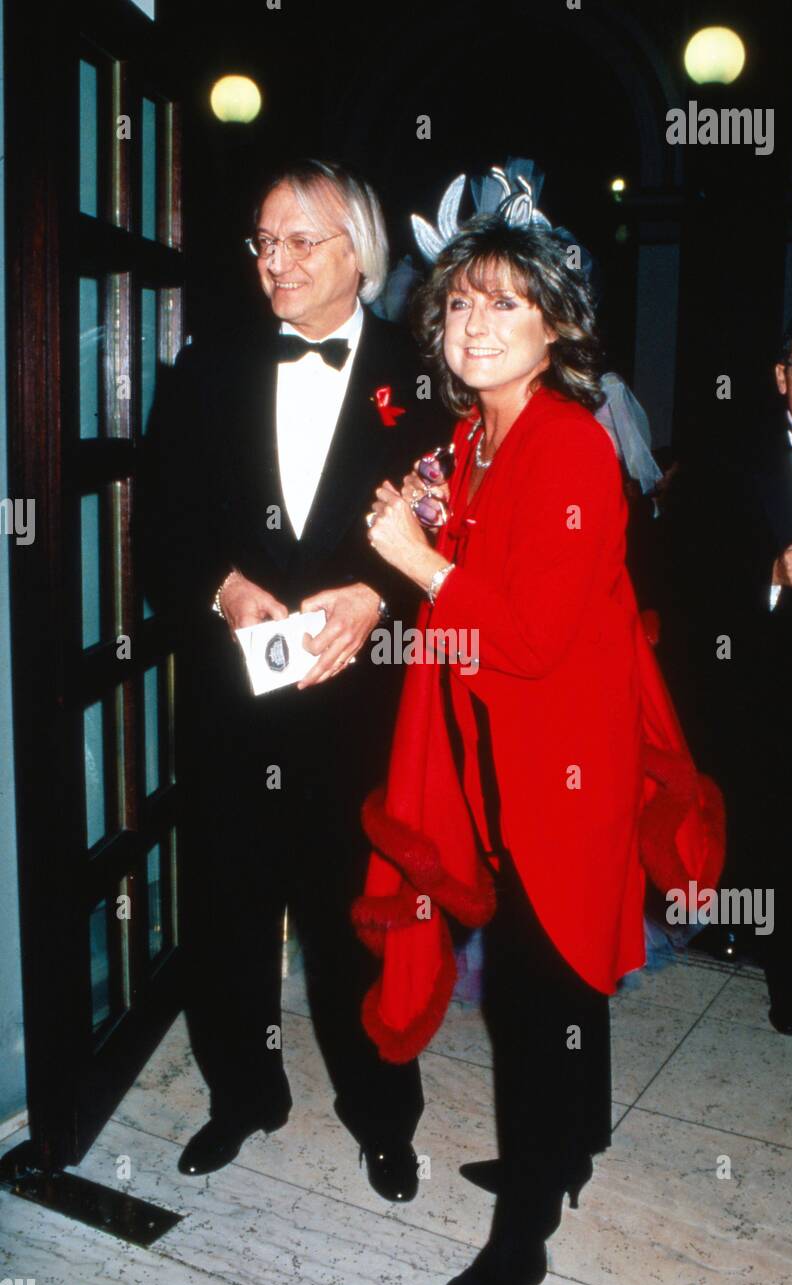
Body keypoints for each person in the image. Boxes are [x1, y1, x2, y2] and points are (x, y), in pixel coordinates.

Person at [357, 212, 722, 1285]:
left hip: (562, 766)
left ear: (557, 325)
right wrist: (427, 525)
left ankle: (521, 1233)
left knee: (536, 985)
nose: (475, 321)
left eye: (507, 301)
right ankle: (565, 1151)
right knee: (554, 975)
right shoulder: (478, 434)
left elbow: (525, 634)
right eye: (461, 300)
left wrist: (420, 560)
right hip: (504, 754)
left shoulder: (567, 440)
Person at [141, 158, 444, 1197]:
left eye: (298, 240)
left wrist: (376, 596)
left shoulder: (427, 379)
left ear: (356, 251)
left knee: (359, 922)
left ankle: (381, 1114)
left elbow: (457, 526)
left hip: (364, 712)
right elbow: (163, 524)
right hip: (235, 705)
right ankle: (243, 1095)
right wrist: (225, 587)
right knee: (226, 910)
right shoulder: (207, 366)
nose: (273, 261)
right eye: (263, 242)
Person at [702, 310, 792, 1033]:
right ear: (779, 376)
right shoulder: (733, 455)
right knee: (776, 830)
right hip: (765, 688)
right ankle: (783, 972)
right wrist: (765, 573)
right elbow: (686, 569)